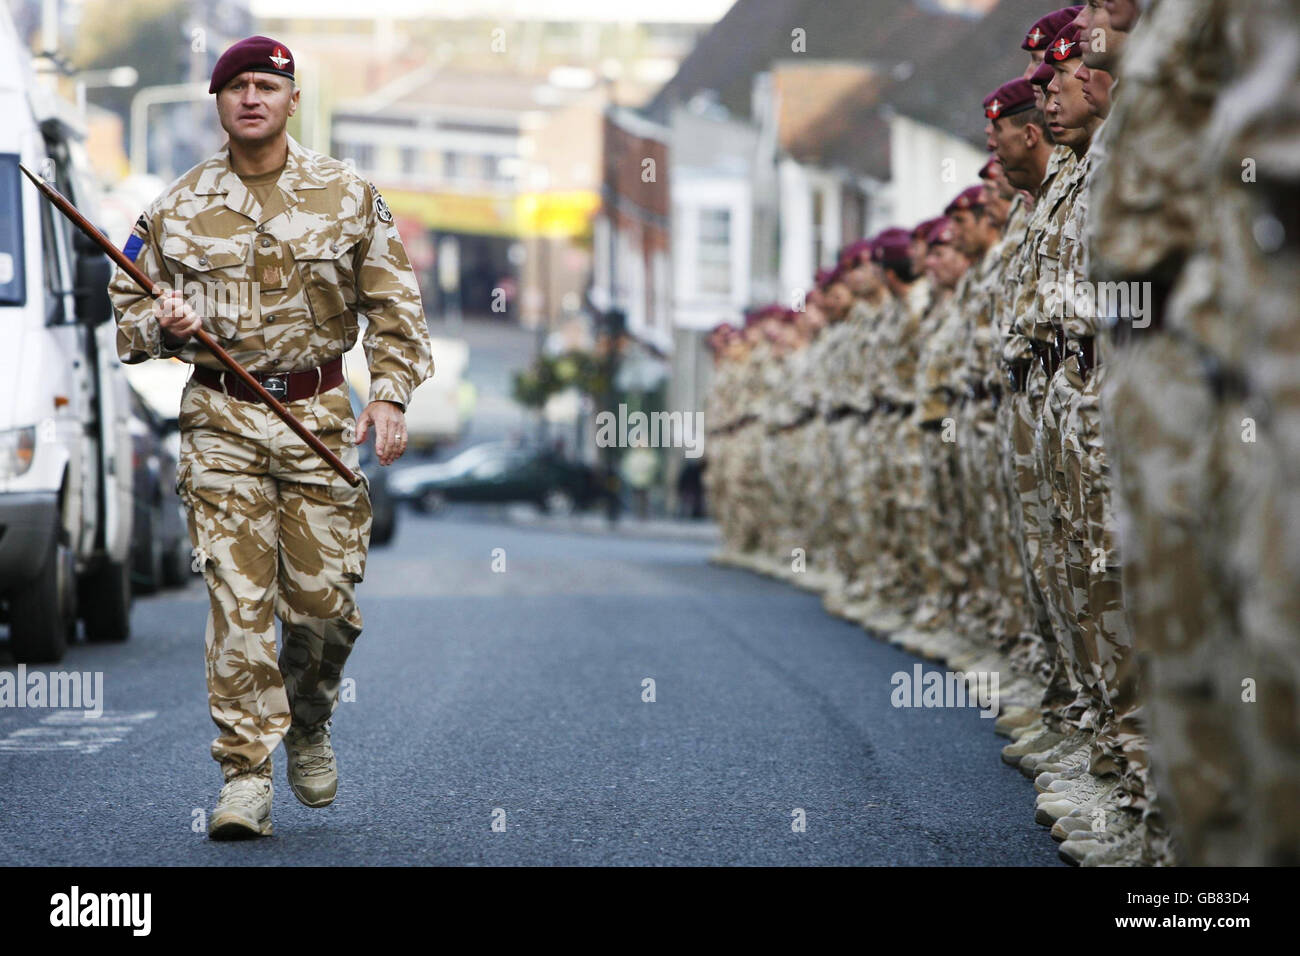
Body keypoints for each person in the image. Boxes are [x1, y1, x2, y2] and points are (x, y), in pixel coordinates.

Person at [110, 35, 435, 839]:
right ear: (217, 103)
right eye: (235, 86)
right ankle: (245, 775)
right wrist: (165, 319)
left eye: (267, 85)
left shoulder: (348, 195)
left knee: (324, 609)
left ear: (292, 101)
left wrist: (389, 397)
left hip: (319, 415)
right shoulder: (174, 210)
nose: (251, 97)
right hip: (220, 422)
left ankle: (311, 715)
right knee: (238, 599)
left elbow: (395, 310)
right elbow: (124, 317)